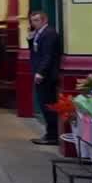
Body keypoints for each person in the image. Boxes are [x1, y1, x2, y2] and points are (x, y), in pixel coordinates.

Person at [29, 10, 62, 145]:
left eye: (36, 20)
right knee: (44, 104)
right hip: (40, 72)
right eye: (32, 20)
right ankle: (50, 133)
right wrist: (30, 40)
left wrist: (41, 72)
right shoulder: (38, 33)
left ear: (44, 20)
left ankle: (52, 135)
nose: (34, 23)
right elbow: (36, 51)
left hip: (46, 76)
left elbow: (48, 55)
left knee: (48, 105)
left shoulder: (49, 33)